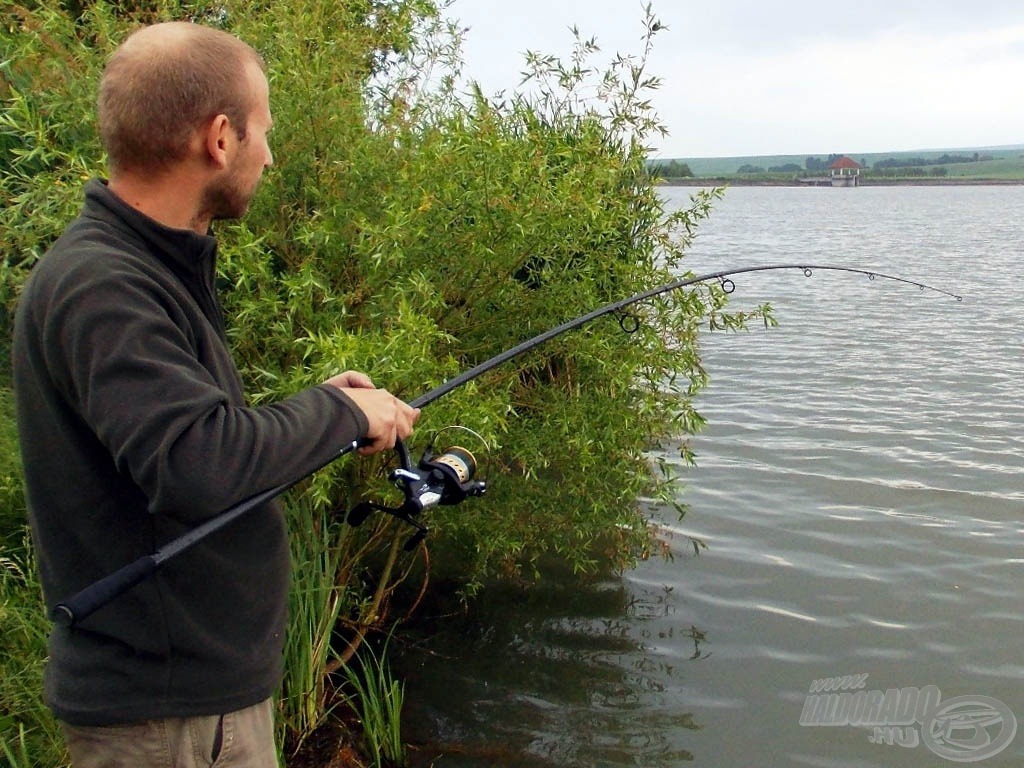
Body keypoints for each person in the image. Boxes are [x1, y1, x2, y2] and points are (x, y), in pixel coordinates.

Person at [12, 20, 419, 768]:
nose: (272, 154)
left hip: (198, 701)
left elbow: (196, 432)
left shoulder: (150, 267)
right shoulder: (104, 284)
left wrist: (322, 412)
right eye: (265, 130)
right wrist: (337, 414)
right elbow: (197, 462)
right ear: (221, 138)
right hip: (163, 722)